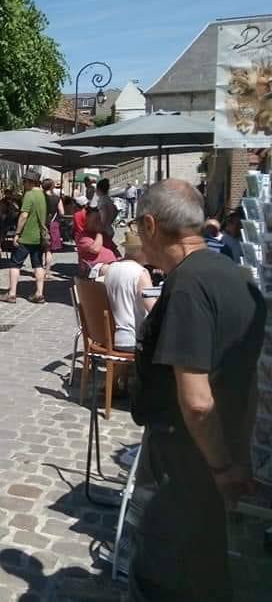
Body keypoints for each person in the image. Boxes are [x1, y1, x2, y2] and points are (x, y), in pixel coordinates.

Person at [128, 179, 266, 602]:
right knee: (204, 570)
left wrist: (223, 469)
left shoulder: (188, 286)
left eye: (136, 227)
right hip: (214, 454)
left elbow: (197, 401)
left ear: (150, 225)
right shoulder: (236, 276)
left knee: (164, 576)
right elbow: (247, 380)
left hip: (188, 461)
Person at [0, 169, 47, 304]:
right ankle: (39, 294)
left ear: (31, 182)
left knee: (15, 264)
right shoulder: (43, 196)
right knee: (38, 265)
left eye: (25, 181)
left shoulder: (29, 195)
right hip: (39, 237)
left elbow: (24, 215)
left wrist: (17, 233)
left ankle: (12, 294)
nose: (23, 183)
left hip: (27, 236)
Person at [103, 231, 157, 352]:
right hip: (133, 338)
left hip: (113, 336)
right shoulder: (140, 273)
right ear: (141, 251)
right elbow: (154, 310)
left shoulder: (111, 269)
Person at [74, 205, 118, 275]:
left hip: (112, 266)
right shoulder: (83, 236)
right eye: (95, 220)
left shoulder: (104, 235)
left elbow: (115, 250)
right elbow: (95, 249)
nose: (98, 222)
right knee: (106, 269)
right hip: (93, 269)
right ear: (87, 219)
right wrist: (99, 232)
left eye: (99, 219)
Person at [42, 178, 65, 273]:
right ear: (51, 186)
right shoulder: (57, 198)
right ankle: (47, 271)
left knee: (39, 250)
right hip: (53, 224)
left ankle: (38, 270)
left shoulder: (41, 197)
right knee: (49, 250)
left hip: (41, 223)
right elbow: (62, 212)